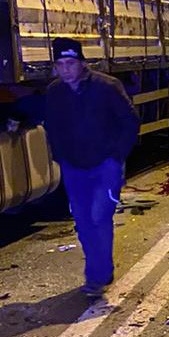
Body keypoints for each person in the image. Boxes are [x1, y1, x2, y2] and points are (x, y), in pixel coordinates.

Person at [44, 37, 140, 297]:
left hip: (105, 166)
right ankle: (100, 271)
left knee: (100, 215)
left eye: (71, 63)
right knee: (84, 221)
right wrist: (60, 157)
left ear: (82, 63)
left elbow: (130, 121)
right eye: (60, 64)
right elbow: (52, 127)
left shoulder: (106, 87)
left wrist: (116, 157)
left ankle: (96, 277)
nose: (66, 69)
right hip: (75, 167)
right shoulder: (55, 93)